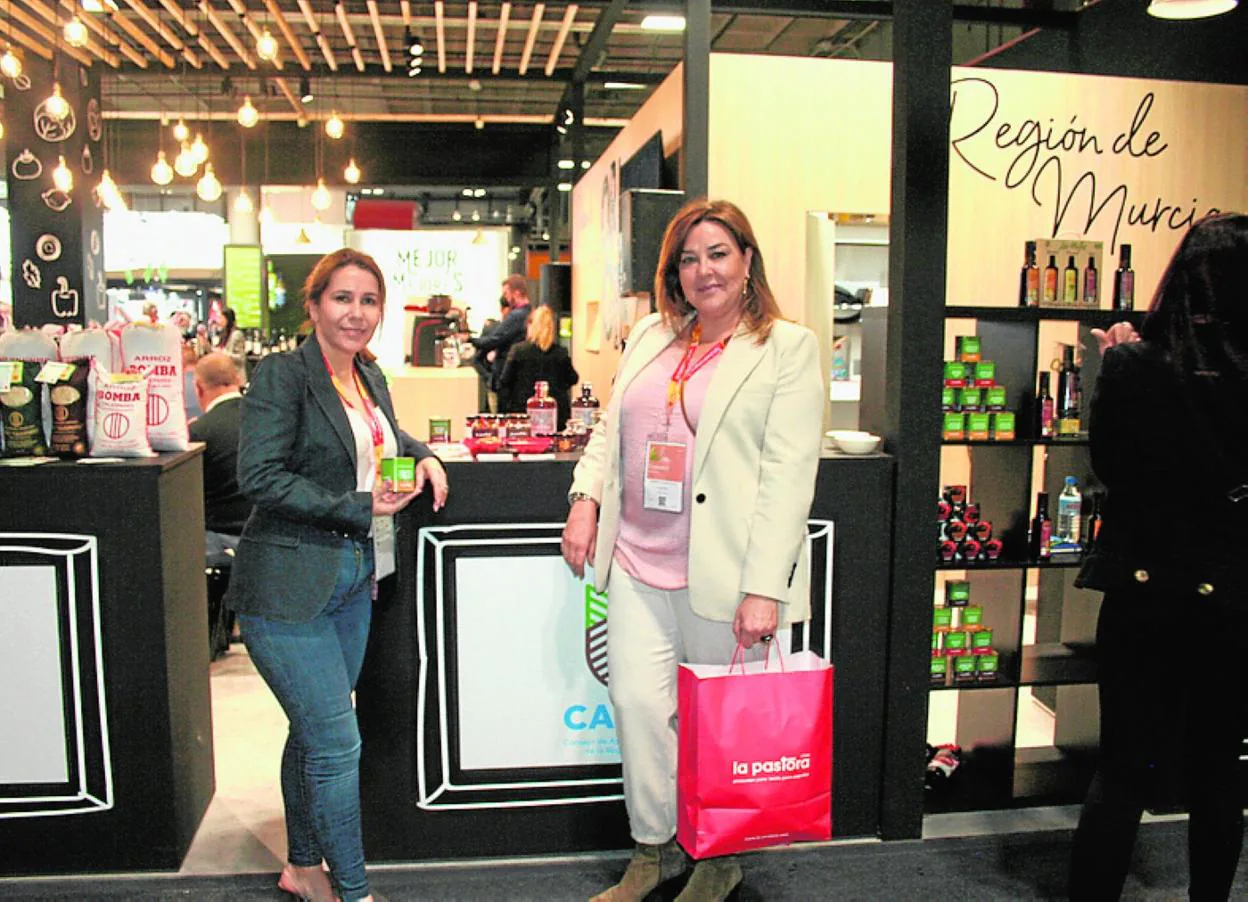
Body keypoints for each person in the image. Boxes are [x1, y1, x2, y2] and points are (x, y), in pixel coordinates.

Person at [561, 199, 824, 902]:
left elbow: (788, 476)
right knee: (639, 709)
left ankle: (719, 858)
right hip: (637, 565)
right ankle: (652, 851)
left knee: (720, 727)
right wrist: (585, 499)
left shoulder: (786, 348)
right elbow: (610, 432)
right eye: (688, 257)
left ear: (746, 260)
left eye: (717, 253)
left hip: (727, 574)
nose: (702, 269)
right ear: (673, 272)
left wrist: (764, 587)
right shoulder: (652, 334)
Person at [229, 248, 449, 902]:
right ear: (315, 304)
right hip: (286, 590)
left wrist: (427, 455)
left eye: (369, 300)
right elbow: (260, 478)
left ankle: (302, 866)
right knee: (335, 744)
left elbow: (389, 438)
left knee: (313, 732)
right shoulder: (283, 376)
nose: (357, 313)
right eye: (342, 298)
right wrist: (357, 506)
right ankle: (353, 893)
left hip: (355, 580)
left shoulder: (369, 376)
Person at [1069, 213, 1248, 902]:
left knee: (1123, 768)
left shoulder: (1136, 363)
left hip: (1146, 591)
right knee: (1219, 770)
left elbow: (1111, 467)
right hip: (1233, 596)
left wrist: (1113, 366)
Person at [189, 351, 251, 565]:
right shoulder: (269, 420)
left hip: (218, 544)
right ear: (238, 380)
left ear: (198, 388)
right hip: (268, 538)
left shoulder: (198, 432)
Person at [497, 304, 579, 428]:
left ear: (531, 325)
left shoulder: (518, 351)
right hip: (556, 417)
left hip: (523, 415)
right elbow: (573, 378)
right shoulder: (561, 352)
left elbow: (504, 382)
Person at [470, 274, 532, 396]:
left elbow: (494, 340)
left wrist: (470, 339)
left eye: (506, 293)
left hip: (508, 375)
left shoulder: (516, 316)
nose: (506, 298)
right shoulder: (530, 313)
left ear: (517, 292)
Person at [216, 305, 247, 378]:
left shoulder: (236, 334)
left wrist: (223, 353)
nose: (218, 320)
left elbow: (241, 358)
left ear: (227, 319)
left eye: (221, 318)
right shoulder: (224, 334)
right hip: (226, 375)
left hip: (236, 377)